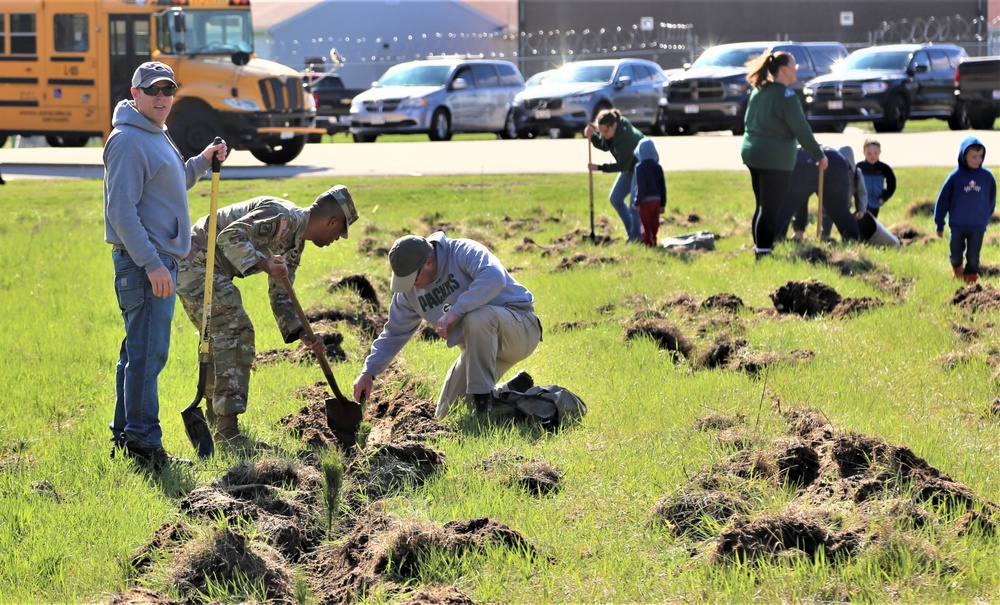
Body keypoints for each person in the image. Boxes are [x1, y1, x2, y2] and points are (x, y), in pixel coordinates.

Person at [104, 61, 227, 469]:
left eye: (168, 90)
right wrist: (153, 264)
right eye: (152, 90)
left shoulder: (155, 135)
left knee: (136, 353)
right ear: (134, 93)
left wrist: (201, 161)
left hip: (152, 263)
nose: (161, 97)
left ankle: (126, 435)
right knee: (147, 356)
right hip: (146, 266)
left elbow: (168, 184)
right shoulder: (128, 141)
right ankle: (143, 442)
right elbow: (121, 211)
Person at [176, 187, 359, 448]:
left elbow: (282, 294)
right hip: (196, 261)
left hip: (208, 267)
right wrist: (263, 264)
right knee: (236, 330)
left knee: (222, 338)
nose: (337, 239)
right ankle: (228, 433)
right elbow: (230, 237)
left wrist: (302, 332)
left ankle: (218, 424)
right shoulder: (282, 218)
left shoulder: (294, 245)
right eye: (339, 231)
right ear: (331, 222)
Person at [353, 232, 542, 419]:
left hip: (520, 329)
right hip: (479, 349)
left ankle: (483, 408)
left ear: (428, 263)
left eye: (412, 279)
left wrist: (456, 311)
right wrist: (368, 372)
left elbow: (494, 276)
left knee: (476, 316)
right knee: (447, 414)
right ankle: (512, 390)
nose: (411, 287)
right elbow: (394, 332)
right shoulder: (408, 293)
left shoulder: (462, 251)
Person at [740, 51, 827, 258]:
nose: (797, 69)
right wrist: (819, 154)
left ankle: (759, 248)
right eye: (794, 65)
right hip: (774, 159)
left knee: (761, 205)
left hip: (753, 153)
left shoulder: (758, 91)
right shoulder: (786, 97)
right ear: (784, 70)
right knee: (770, 209)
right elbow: (801, 129)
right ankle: (763, 254)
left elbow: (747, 122)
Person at [934, 136, 997, 285]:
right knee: (955, 255)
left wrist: (985, 218)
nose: (978, 160)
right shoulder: (955, 178)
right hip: (958, 225)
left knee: (973, 257)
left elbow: (991, 200)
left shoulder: (987, 177)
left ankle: (970, 283)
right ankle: (957, 272)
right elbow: (943, 201)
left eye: (980, 156)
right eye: (973, 157)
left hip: (977, 226)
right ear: (963, 156)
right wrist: (939, 223)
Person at [781, 146, 866, 243]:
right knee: (793, 204)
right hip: (830, 160)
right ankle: (789, 235)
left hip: (820, 161)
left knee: (786, 206)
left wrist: (861, 209)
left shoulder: (856, 174)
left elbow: (861, 193)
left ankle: (852, 240)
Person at [586, 108, 646, 242]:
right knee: (615, 198)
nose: (603, 134)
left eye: (605, 131)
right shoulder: (612, 132)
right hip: (629, 166)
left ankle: (636, 239)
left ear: (614, 126)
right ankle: (632, 233)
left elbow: (621, 166)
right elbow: (604, 144)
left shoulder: (626, 138)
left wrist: (599, 167)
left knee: (634, 204)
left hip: (642, 167)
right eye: (601, 131)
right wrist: (593, 136)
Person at [633, 138, 667, 247]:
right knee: (654, 222)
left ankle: (647, 243)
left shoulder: (640, 167)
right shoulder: (658, 167)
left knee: (645, 223)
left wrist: (637, 201)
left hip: (645, 201)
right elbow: (662, 186)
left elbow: (641, 186)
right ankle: (654, 239)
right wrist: (663, 203)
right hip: (656, 200)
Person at [857, 138, 896, 219]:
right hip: (863, 200)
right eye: (869, 153)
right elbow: (851, 182)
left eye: (875, 153)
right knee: (862, 219)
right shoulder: (859, 167)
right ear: (864, 153)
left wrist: (885, 196)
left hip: (877, 200)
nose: (872, 156)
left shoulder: (884, 168)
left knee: (872, 219)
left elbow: (892, 183)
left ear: (880, 152)